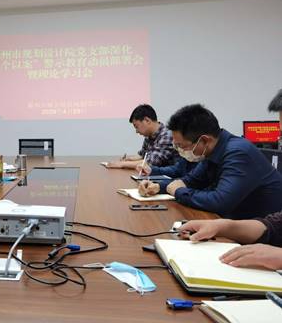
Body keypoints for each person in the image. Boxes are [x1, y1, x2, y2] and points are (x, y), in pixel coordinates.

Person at [178, 89, 282, 270]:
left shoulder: (238, 151)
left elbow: (220, 201)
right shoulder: (216, 151)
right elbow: (275, 226)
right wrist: (222, 226)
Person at [139, 104, 282, 219]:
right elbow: (191, 181)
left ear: (204, 140)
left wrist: (178, 191)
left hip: (264, 233)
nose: (180, 151)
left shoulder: (238, 153)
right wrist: (158, 186)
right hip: (235, 222)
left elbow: (220, 202)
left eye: (182, 146)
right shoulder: (211, 151)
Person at [106, 104, 177, 171]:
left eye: (136, 126)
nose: (136, 131)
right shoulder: (149, 135)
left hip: (168, 177)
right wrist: (128, 159)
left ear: (147, 120)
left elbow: (150, 162)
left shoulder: (166, 135)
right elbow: (142, 155)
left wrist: (121, 164)